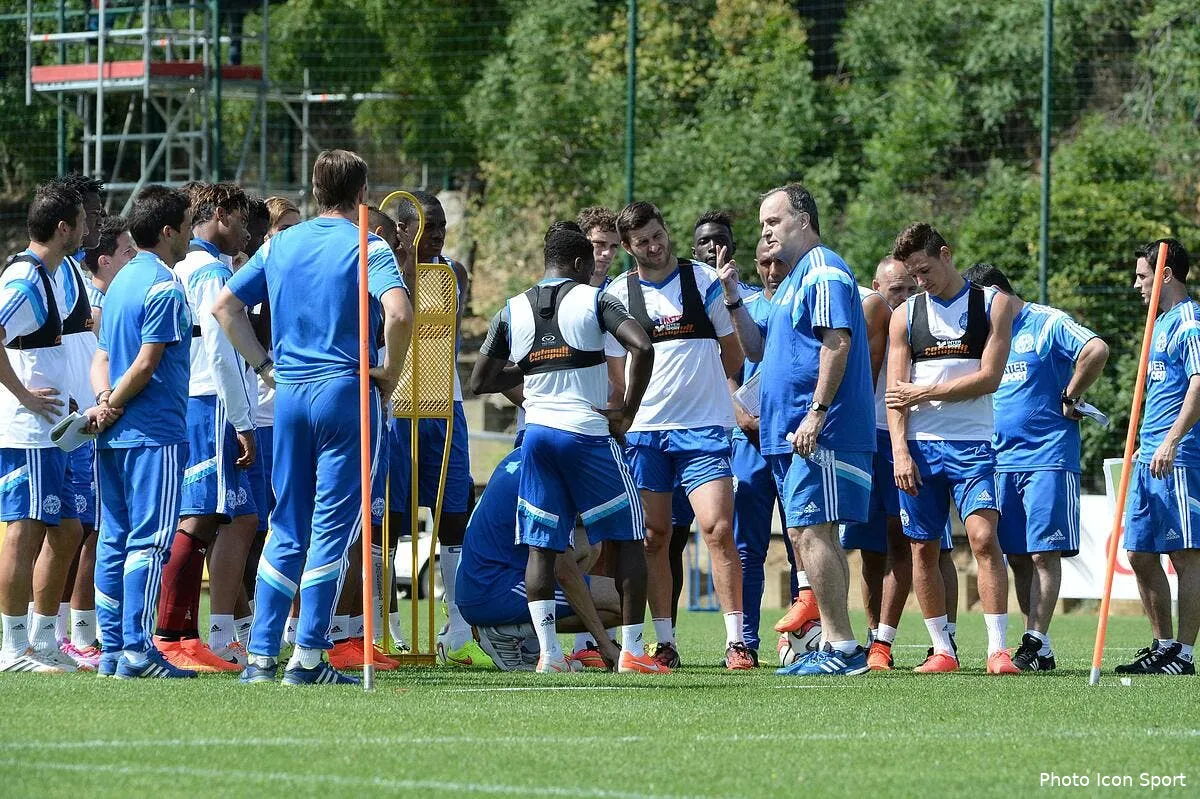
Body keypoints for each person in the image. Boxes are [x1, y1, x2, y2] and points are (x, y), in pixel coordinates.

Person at [214, 149, 412, 686]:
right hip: (348, 392)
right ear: (362, 193)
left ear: (315, 190)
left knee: (286, 524)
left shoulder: (280, 243)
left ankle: (259, 658)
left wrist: (264, 365)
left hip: (291, 396)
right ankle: (307, 658)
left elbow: (225, 307)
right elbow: (397, 311)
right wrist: (390, 371)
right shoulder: (368, 245)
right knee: (332, 528)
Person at [470, 224, 667, 674]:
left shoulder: (510, 309)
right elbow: (641, 345)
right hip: (588, 432)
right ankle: (634, 652)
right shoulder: (594, 298)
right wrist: (628, 412)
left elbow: (480, 381)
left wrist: (536, 375)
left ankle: (550, 657)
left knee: (542, 547)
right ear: (580, 263)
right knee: (629, 538)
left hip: (537, 435)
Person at [720, 183, 873, 677]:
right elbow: (760, 353)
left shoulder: (824, 271)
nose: (765, 231)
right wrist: (733, 301)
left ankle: (844, 649)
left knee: (816, 531)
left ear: (803, 221)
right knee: (807, 532)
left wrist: (817, 411)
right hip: (787, 435)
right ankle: (832, 645)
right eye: (763, 223)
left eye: (774, 221)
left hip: (819, 432)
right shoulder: (791, 282)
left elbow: (837, 342)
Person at [605, 201, 751, 671]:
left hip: (704, 429)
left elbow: (734, 357)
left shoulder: (703, 281)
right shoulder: (617, 295)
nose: (654, 245)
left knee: (718, 529)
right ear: (628, 248)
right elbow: (614, 371)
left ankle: (737, 641)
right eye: (642, 240)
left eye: (658, 233)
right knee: (654, 537)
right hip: (645, 433)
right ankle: (664, 641)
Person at [886, 222, 1018, 675]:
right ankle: (942, 649)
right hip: (920, 449)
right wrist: (900, 452)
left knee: (983, 539)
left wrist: (924, 393)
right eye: (913, 274)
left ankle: (998, 649)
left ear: (946, 253)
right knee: (923, 549)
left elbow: (989, 378)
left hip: (974, 445)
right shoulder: (905, 316)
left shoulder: (993, 304)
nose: (920, 281)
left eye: (924, 270)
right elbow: (893, 394)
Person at [963, 263, 1108, 671]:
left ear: (1000, 295)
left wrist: (1071, 393)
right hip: (999, 460)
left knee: (1045, 553)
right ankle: (1035, 646)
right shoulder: (989, 337)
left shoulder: (1047, 322)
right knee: (1018, 556)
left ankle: (1036, 639)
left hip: (1047, 458)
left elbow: (1095, 349)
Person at [85, 184, 195, 679]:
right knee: (149, 541)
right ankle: (136, 649)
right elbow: (148, 364)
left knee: (113, 538)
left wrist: (104, 401)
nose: (191, 234)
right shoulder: (163, 286)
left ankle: (110, 649)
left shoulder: (121, 282)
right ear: (168, 231)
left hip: (113, 432)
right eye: (188, 226)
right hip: (153, 432)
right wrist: (116, 402)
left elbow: (103, 356)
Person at [157, 182, 258, 673]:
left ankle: (199, 634)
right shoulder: (212, 271)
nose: (244, 228)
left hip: (191, 398)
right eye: (240, 218)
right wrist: (242, 419)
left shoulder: (182, 267)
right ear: (218, 213)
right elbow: (219, 351)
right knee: (199, 518)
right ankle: (174, 634)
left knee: (220, 518)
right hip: (211, 402)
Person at [386, 190, 480, 667]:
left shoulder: (451, 273)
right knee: (399, 520)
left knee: (450, 514)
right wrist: (399, 261)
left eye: (442, 224)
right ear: (402, 227)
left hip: (445, 402)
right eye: (428, 223)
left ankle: (458, 621)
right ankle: (395, 621)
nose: (438, 232)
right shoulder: (383, 267)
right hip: (399, 405)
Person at [0, 182, 88, 673]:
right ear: (63, 227)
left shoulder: (54, 274)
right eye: (81, 219)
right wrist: (25, 396)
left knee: (67, 529)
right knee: (25, 530)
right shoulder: (25, 279)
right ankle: (12, 649)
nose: (87, 228)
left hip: (54, 431)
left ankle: (41, 641)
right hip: (28, 432)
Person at [456, 448, 624, 671]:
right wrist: (604, 643)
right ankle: (501, 632)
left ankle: (533, 643)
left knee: (588, 546)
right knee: (621, 602)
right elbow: (564, 571)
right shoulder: (550, 478)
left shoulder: (522, 455)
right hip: (493, 592)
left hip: (481, 584)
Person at [1116, 238, 1199, 676]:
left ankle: (1183, 655)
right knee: (1138, 552)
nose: (1136, 285)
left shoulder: (1189, 321)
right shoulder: (1160, 323)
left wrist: (1170, 440)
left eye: (1142, 276)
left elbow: (1199, 384)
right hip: (1148, 456)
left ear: (1165, 274)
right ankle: (1162, 644)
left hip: (1180, 456)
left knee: (1186, 555)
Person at [729, 239, 794, 664]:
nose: (772, 269)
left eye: (779, 262)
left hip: (792, 440)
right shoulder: (744, 307)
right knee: (747, 546)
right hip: (749, 441)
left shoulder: (803, 304)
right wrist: (739, 412)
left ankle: (801, 638)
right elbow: (725, 366)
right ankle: (745, 643)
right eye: (766, 262)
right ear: (756, 265)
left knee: (802, 540)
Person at [578, 206, 620, 288]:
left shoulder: (621, 294)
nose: (607, 253)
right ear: (582, 242)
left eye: (613, 246)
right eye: (600, 244)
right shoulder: (561, 292)